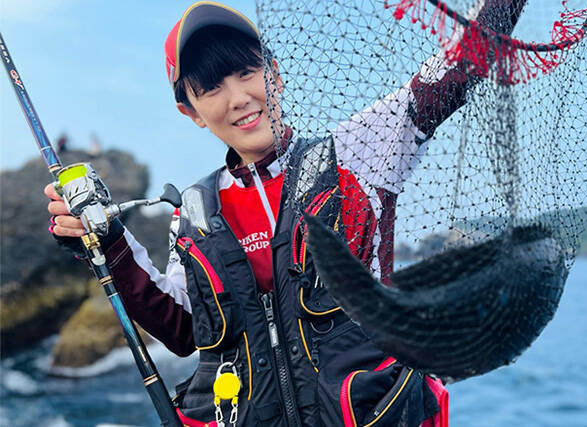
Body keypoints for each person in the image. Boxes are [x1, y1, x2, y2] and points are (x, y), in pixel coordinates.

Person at [46, 1, 523, 425]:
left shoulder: (355, 156)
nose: (238, 98)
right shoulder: (193, 212)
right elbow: (184, 330)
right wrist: (108, 242)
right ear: (190, 112)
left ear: (274, 73)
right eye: (211, 88)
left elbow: (454, 74)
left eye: (246, 73)